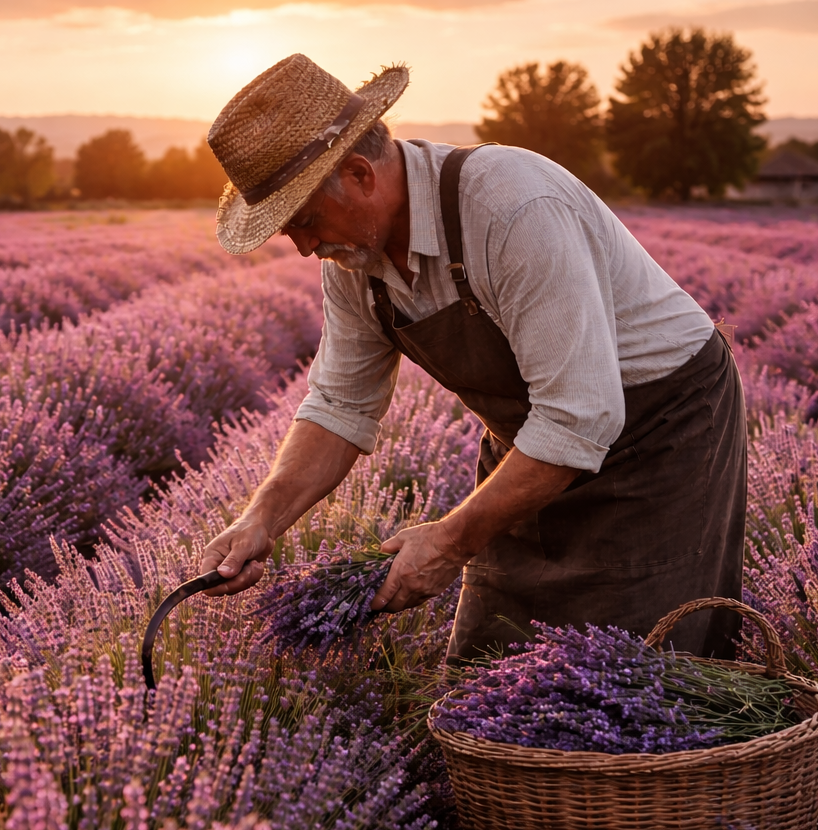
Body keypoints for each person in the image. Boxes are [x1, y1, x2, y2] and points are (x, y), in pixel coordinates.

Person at [199, 53, 747, 660]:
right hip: (531, 443)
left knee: (638, 666)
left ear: (359, 174)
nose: (304, 248)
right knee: (495, 657)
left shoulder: (512, 210)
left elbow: (579, 416)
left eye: (305, 221)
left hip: (660, 432)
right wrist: (260, 520)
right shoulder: (355, 260)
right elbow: (339, 406)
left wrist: (451, 541)